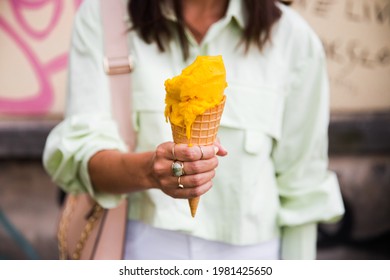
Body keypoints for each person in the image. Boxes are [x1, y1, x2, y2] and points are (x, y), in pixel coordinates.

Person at [43, 0, 344, 260]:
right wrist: (148, 171)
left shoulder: (294, 40)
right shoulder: (105, 17)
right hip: (137, 247)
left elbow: (303, 187)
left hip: (254, 255)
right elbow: (79, 154)